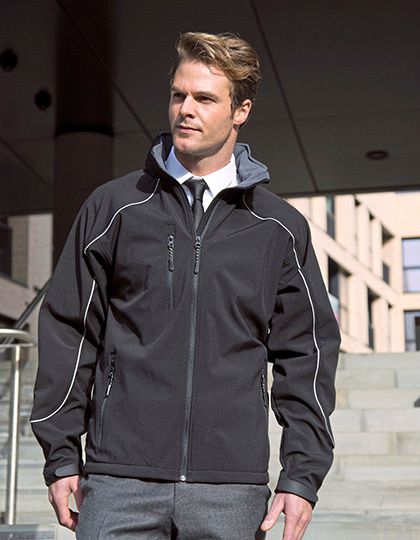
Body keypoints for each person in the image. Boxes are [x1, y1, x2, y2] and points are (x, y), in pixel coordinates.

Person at [30, 31, 341, 540]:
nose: (185, 110)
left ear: (241, 111)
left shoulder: (278, 229)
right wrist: (62, 454)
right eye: (178, 95)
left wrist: (302, 475)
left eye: (204, 98)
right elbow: (70, 329)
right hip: (118, 482)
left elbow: (307, 354)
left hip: (230, 490)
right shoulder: (115, 208)